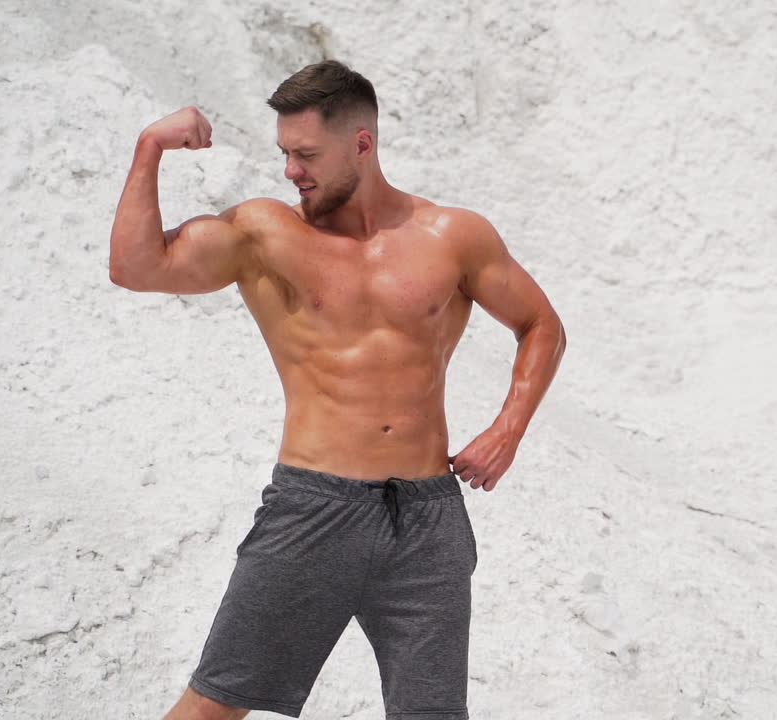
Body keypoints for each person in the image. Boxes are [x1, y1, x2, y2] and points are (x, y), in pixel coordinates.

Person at [108, 60, 567, 720]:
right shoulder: (265, 233)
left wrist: (508, 431)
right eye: (285, 153)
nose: (290, 171)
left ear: (361, 143)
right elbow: (135, 267)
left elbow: (542, 324)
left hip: (426, 520)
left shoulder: (453, 236)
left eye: (306, 154)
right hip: (313, 508)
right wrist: (150, 146)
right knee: (214, 706)